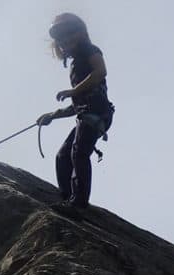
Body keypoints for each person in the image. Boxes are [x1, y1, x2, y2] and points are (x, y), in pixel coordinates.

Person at [37, 13, 115, 211]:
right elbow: (77, 105)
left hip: (97, 113)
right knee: (63, 156)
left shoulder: (90, 50)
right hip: (88, 113)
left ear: (80, 34)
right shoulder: (76, 66)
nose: (65, 41)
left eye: (69, 34)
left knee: (79, 153)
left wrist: (74, 90)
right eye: (61, 38)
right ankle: (68, 196)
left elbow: (100, 72)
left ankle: (78, 203)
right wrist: (53, 116)